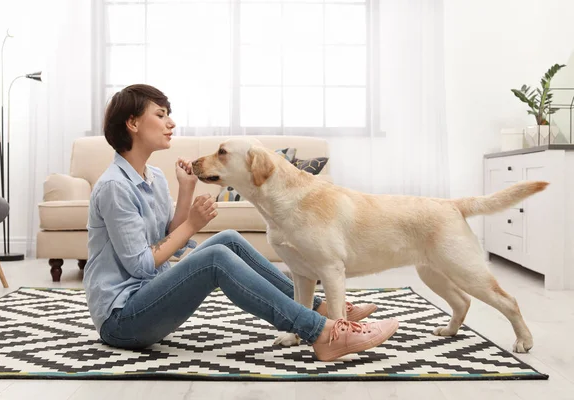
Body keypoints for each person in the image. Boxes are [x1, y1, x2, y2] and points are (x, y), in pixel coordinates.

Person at [82, 84, 399, 362]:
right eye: (161, 114)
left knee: (228, 239)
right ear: (133, 123)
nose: (171, 122)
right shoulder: (115, 187)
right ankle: (323, 334)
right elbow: (141, 264)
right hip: (123, 321)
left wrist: (188, 188)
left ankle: (319, 308)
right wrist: (192, 225)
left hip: (151, 300)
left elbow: (166, 237)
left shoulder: (154, 177)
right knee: (215, 259)